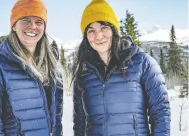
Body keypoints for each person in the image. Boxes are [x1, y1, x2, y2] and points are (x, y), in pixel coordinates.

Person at [72, 0, 171, 136]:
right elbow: (79, 123)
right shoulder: (83, 74)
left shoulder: (142, 63)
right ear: (86, 37)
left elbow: (161, 112)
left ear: (113, 29)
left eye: (103, 27)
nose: (98, 35)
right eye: (91, 30)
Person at [0, 0, 63, 136]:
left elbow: (56, 121)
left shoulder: (52, 65)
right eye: (25, 20)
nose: (32, 26)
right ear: (14, 26)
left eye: (39, 22)